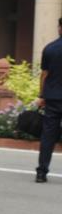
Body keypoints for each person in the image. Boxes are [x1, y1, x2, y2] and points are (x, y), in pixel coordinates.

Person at [35, 18, 62, 183]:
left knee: (48, 136)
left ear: (60, 28)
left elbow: (44, 75)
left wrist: (41, 95)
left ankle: (41, 172)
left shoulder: (50, 48)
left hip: (52, 98)